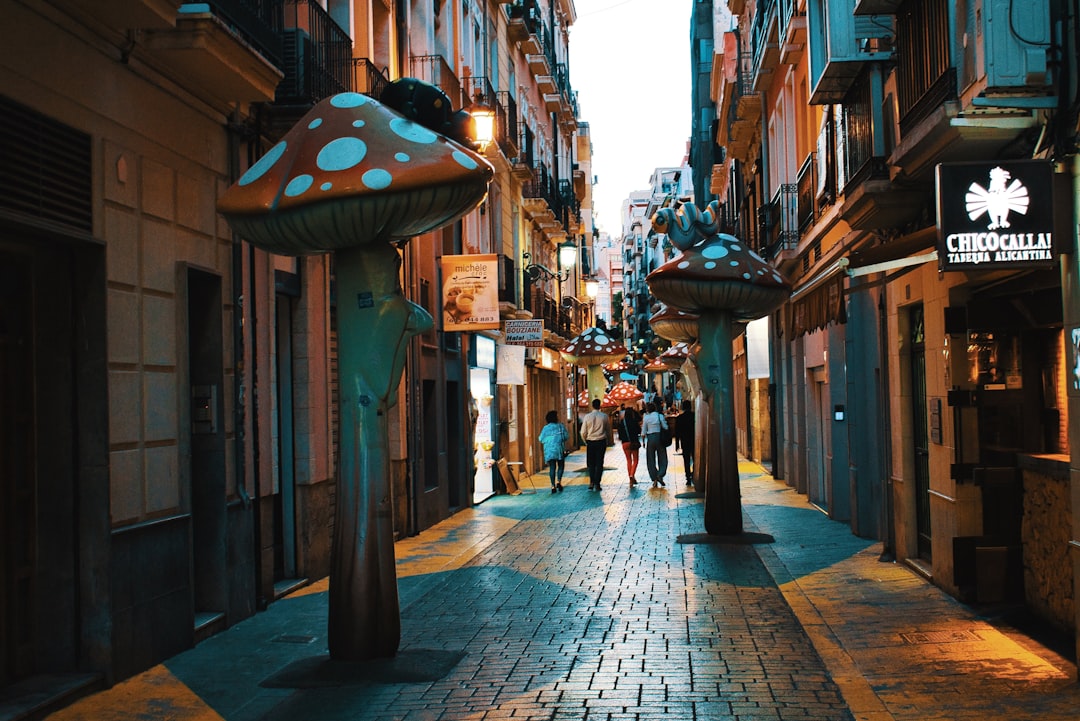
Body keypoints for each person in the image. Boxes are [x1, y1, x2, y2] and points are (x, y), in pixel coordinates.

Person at [580, 398, 611, 492]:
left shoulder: (587, 417)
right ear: (600, 406)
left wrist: (585, 440)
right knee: (599, 463)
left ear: (592, 406)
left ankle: (591, 481)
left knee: (591, 463)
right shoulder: (604, 416)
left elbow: (583, 432)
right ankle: (597, 483)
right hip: (601, 441)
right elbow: (608, 430)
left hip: (590, 441)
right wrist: (608, 440)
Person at [537, 410, 569, 493]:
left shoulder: (545, 428)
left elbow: (540, 439)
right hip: (559, 449)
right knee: (561, 465)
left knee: (552, 467)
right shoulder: (560, 426)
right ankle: (558, 481)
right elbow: (566, 436)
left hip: (549, 450)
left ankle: (552, 486)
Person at [641, 401, 669, 488]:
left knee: (650, 459)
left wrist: (643, 442)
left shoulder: (646, 418)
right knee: (662, 457)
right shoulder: (659, 416)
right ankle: (660, 474)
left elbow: (643, 431)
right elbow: (665, 427)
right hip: (659, 438)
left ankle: (654, 478)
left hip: (650, 438)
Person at [616, 404, 642, 487]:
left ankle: (631, 477)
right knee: (636, 460)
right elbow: (639, 431)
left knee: (628, 460)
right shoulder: (634, 421)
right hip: (633, 443)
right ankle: (632, 475)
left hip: (625, 443)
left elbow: (619, 434)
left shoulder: (622, 422)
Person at [674, 399, 695, 486]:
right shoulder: (695, 416)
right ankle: (694, 474)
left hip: (684, 441)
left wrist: (677, 444)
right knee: (695, 459)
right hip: (694, 440)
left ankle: (688, 477)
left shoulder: (679, 418)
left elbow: (677, 432)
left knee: (686, 460)